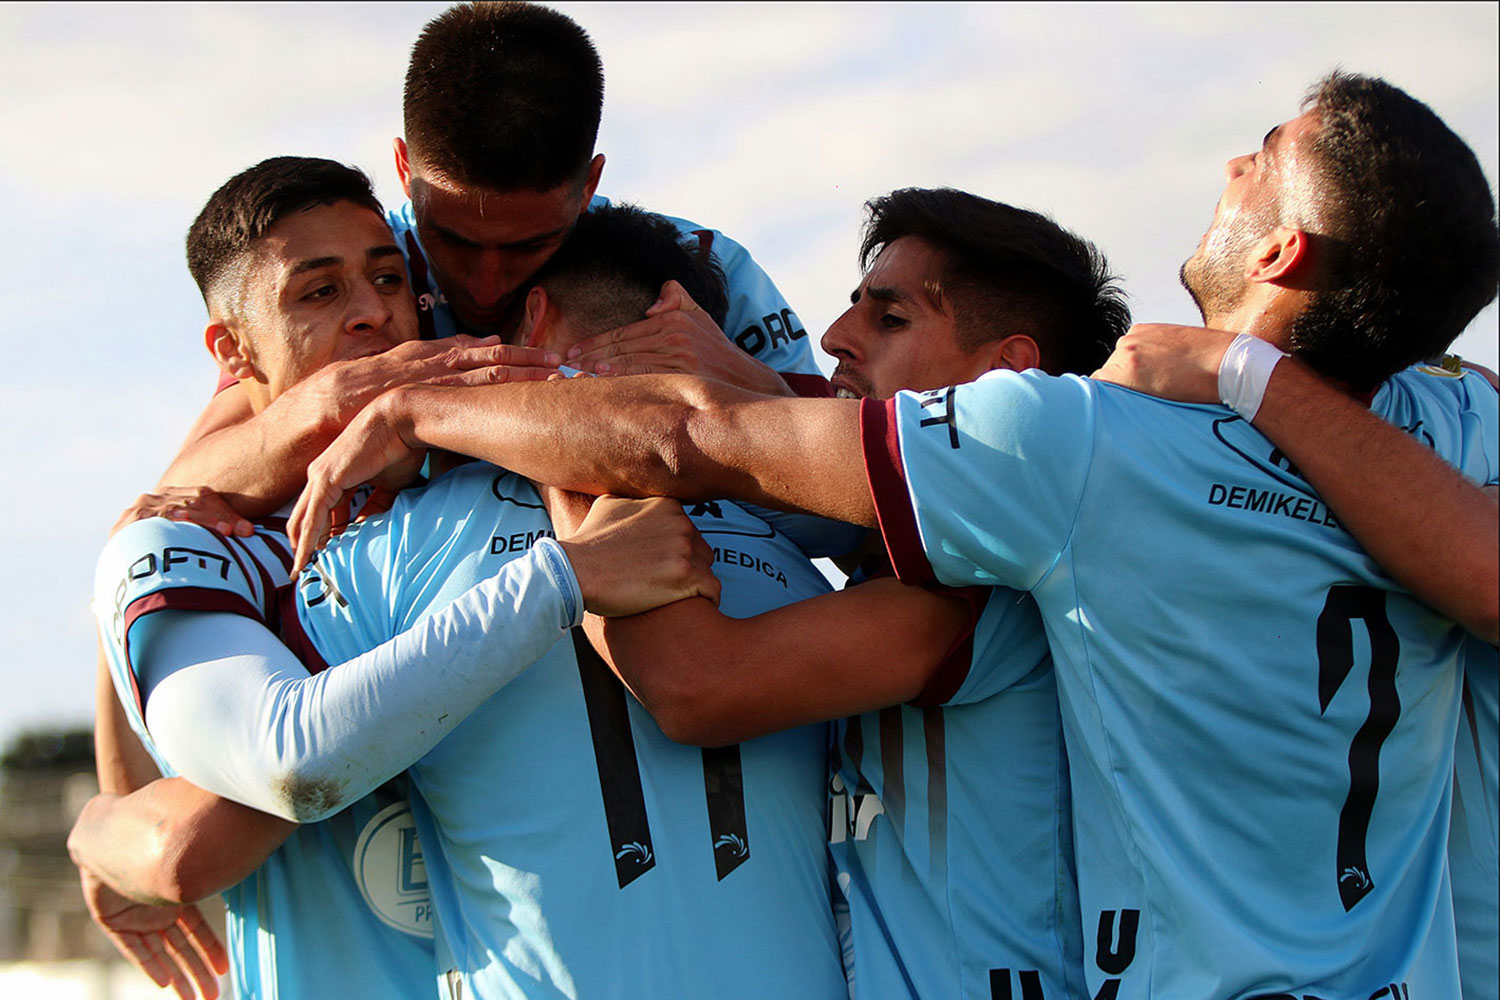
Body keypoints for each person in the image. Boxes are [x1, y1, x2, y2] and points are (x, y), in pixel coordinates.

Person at [293, 72, 1499, 997]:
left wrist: (457, 406)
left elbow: (689, 541)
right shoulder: (1444, 424)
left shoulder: (1082, 460)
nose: (1235, 157)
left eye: (1267, 156)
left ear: (1287, 251)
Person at [83, 191, 844, 999]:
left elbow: (194, 836)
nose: (373, 313)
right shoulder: (803, 540)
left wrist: (99, 834)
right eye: (319, 291)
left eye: (388, 279)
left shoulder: (401, 537)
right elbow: (206, 824)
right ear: (232, 352)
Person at [574, 187, 1129, 999]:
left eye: (890, 319)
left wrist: (580, 453)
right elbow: (786, 452)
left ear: (1008, 379)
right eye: (852, 308)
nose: (835, 339)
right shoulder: (917, 555)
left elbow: (695, 685)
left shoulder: (992, 583)